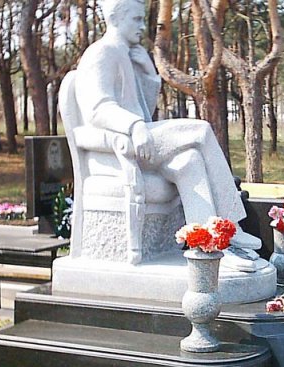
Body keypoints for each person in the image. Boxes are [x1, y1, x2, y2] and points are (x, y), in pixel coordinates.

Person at [73, 0, 261, 268]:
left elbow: (144, 110)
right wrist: (134, 126)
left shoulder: (127, 55)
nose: (142, 27)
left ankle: (210, 243)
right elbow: (98, 108)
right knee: (201, 130)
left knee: (189, 162)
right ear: (116, 18)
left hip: (139, 139)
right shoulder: (102, 52)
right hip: (120, 145)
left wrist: (149, 75)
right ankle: (231, 224)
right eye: (136, 19)